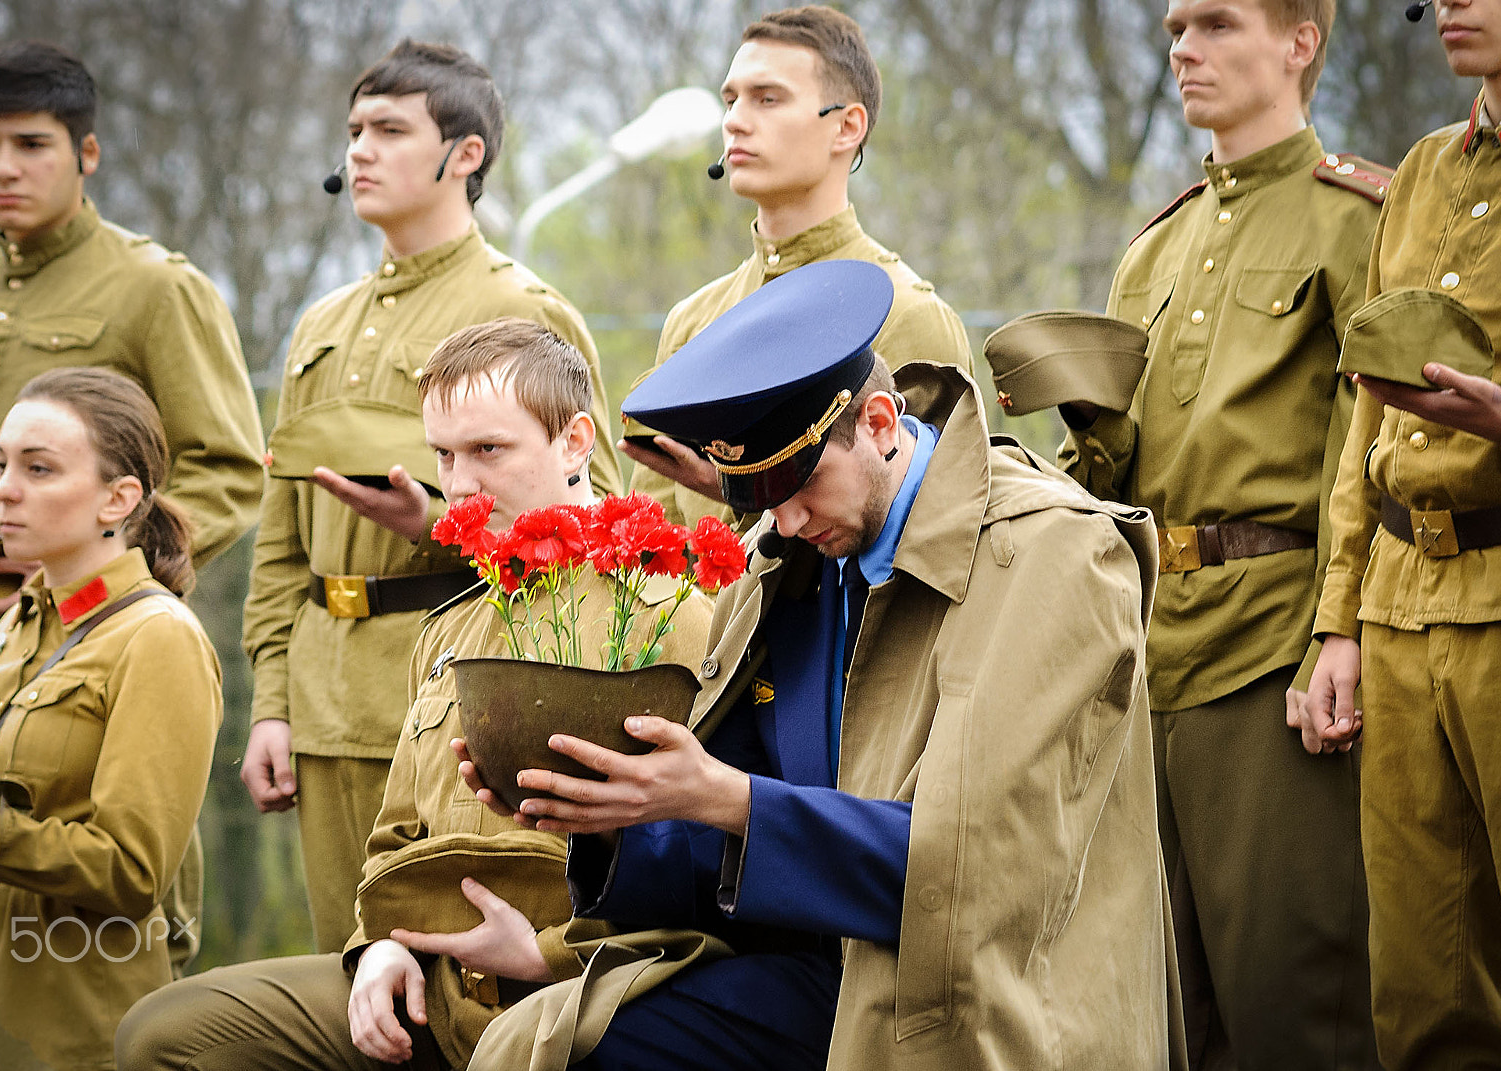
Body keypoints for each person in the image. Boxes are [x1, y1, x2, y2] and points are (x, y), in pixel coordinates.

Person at [466, 260, 1175, 1070]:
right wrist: (608, 806)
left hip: (990, 997)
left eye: (801, 480)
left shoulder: (1055, 554)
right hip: (834, 972)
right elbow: (733, 820)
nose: (786, 518)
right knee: (556, 1046)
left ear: (879, 423)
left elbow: (977, 872)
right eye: (757, 494)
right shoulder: (788, 563)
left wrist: (726, 799)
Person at [115, 319, 712, 1071]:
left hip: (582, 993)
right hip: (431, 985)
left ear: (575, 441)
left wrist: (547, 953)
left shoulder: (672, 613)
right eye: (442, 455)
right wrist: (378, 945)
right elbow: (396, 836)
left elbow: (708, 858)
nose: (457, 484)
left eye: (488, 449)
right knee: (167, 1033)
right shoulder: (450, 627)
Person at [1045, 1, 1386, 1065]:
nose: (1182, 46)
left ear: (1299, 41)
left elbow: (1365, 452)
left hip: (1278, 656)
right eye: (1176, 25)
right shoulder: (1154, 246)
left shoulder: (1360, 220)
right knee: (1164, 1012)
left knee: (1296, 1006)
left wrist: (1343, 636)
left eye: (1216, 23)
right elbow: (1115, 479)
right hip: (1150, 655)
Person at [239, 39, 624, 953]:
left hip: (462, 697)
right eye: (352, 131)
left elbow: (596, 516)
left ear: (465, 156)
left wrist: (437, 528)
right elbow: (281, 536)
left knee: (458, 975)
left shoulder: (520, 304)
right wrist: (271, 700)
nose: (359, 151)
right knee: (353, 967)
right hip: (323, 694)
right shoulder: (322, 324)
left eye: (388, 129)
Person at [1303, 0, 1501, 1064]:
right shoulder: (1422, 169)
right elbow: (1368, 412)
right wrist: (1338, 625)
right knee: (1421, 999)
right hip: (1400, 616)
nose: (1450, 2)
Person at [0, 40, 264, 689]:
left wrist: (94, 572)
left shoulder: (156, 289)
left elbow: (227, 473)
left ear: (86, 154)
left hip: (81, 649)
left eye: (32, 145)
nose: (3, 167)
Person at [0, 367, 221, 1071]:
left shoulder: (158, 637)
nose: (6, 488)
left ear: (118, 497)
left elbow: (131, 870)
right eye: (3, 464)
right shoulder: (16, 619)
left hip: (72, 1033)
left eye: (39, 469)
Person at [624, 4, 971, 529]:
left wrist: (736, 489)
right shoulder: (693, 320)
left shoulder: (905, 312)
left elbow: (934, 533)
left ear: (846, 127)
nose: (735, 120)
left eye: (768, 98)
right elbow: (653, 549)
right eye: (731, 99)